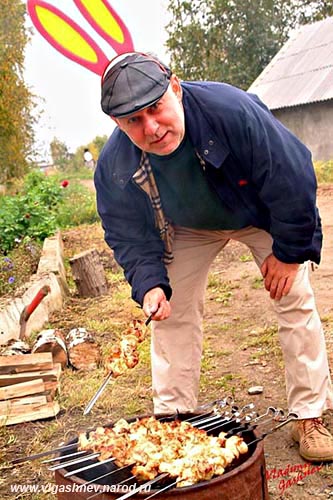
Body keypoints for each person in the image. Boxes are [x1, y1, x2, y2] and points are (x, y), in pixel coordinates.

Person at [94, 51, 333, 462]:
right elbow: (127, 232)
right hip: (189, 227)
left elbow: (292, 178)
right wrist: (149, 282)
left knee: (293, 298)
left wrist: (289, 255)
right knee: (170, 312)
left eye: (156, 108)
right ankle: (174, 420)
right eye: (133, 120)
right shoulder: (115, 164)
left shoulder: (232, 111)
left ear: (175, 88)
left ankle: (309, 415)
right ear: (117, 123)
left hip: (257, 212)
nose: (151, 128)